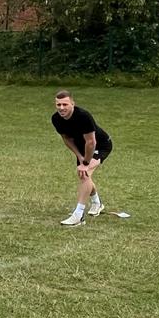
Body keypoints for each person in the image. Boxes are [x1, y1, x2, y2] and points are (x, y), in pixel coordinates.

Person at [51, 89, 113, 225]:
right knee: (84, 175)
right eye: (58, 104)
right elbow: (67, 139)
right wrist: (79, 156)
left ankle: (78, 215)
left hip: (100, 145)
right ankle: (97, 203)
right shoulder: (56, 119)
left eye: (65, 104)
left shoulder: (83, 117)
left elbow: (91, 142)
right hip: (82, 148)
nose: (61, 108)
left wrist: (85, 163)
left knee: (85, 173)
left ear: (72, 104)